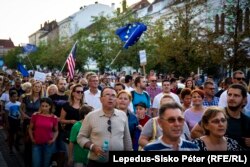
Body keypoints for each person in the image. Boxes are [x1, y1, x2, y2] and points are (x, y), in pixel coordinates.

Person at [77, 87, 132, 167]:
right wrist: (92, 147)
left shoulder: (122, 116)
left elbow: (127, 139)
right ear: (101, 99)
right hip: (96, 162)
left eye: (113, 95)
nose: (110, 98)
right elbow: (81, 137)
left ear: (116, 100)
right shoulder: (91, 116)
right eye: (107, 95)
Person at [191, 84, 250, 150]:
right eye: (229, 95)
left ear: (244, 99)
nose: (231, 98)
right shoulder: (217, 114)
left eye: (236, 95)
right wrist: (211, 143)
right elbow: (195, 132)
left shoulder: (247, 121)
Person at [28, 97, 58, 167]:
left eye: (46, 106)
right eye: (42, 106)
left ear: (50, 106)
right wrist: (32, 139)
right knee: (36, 164)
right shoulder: (35, 115)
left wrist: (53, 140)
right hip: (36, 143)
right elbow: (30, 129)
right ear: (40, 106)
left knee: (46, 164)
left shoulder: (54, 117)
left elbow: (56, 131)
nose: (44, 108)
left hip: (48, 144)